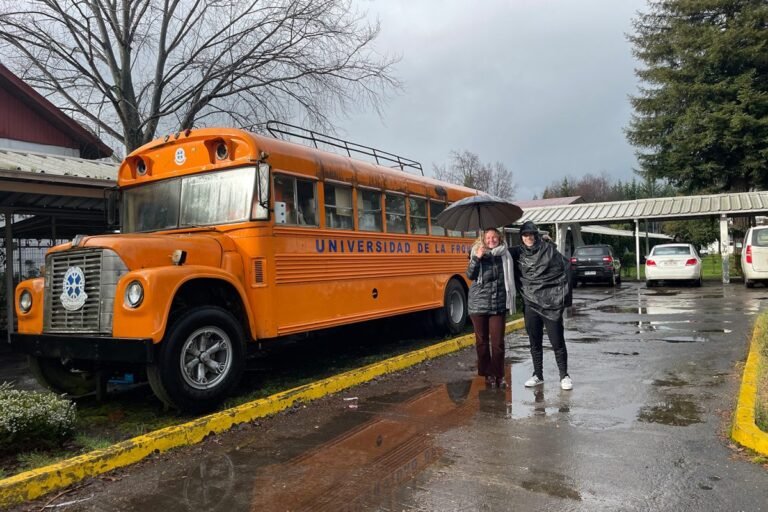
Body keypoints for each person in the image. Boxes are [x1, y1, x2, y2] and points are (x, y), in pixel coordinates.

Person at [511, 220, 573, 390]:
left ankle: (564, 375)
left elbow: (565, 267)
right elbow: (498, 254)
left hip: (550, 303)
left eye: (531, 234)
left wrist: (563, 298)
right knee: (534, 341)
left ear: (536, 235)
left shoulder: (548, 250)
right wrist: (476, 251)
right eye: (525, 234)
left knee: (557, 341)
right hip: (530, 303)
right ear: (521, 237)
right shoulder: (518, 253)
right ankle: (538, 375)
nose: (528, 237)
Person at [466, 227, 515, 389]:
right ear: (483, 239)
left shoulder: (505, 255)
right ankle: (488, 375)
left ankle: (499, 375)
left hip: (498, 304)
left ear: (499, 239)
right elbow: (470, 275)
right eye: (488, 238)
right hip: (478, 304)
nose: (491, 240)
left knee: (498, 343)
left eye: (494, 237)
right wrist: (477, 258)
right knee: (482, 343)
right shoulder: (477, 252)